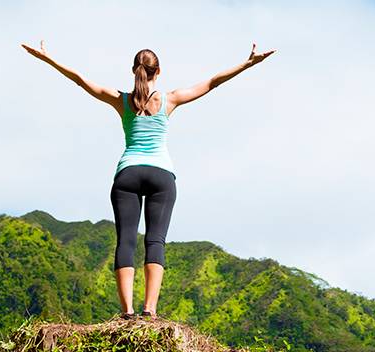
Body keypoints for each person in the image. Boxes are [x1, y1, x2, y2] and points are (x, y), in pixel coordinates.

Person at [21, 40, 276, 320]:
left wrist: (49, 59)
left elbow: (82, 81)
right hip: (160, 175)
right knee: (155, 241)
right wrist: (248, 63)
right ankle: (149, 310)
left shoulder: (121, 100)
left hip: (128, 174)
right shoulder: (170, 99)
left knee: (126, 241)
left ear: (134, 70)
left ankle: (127, 312)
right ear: (159, 71)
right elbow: (213, 82)